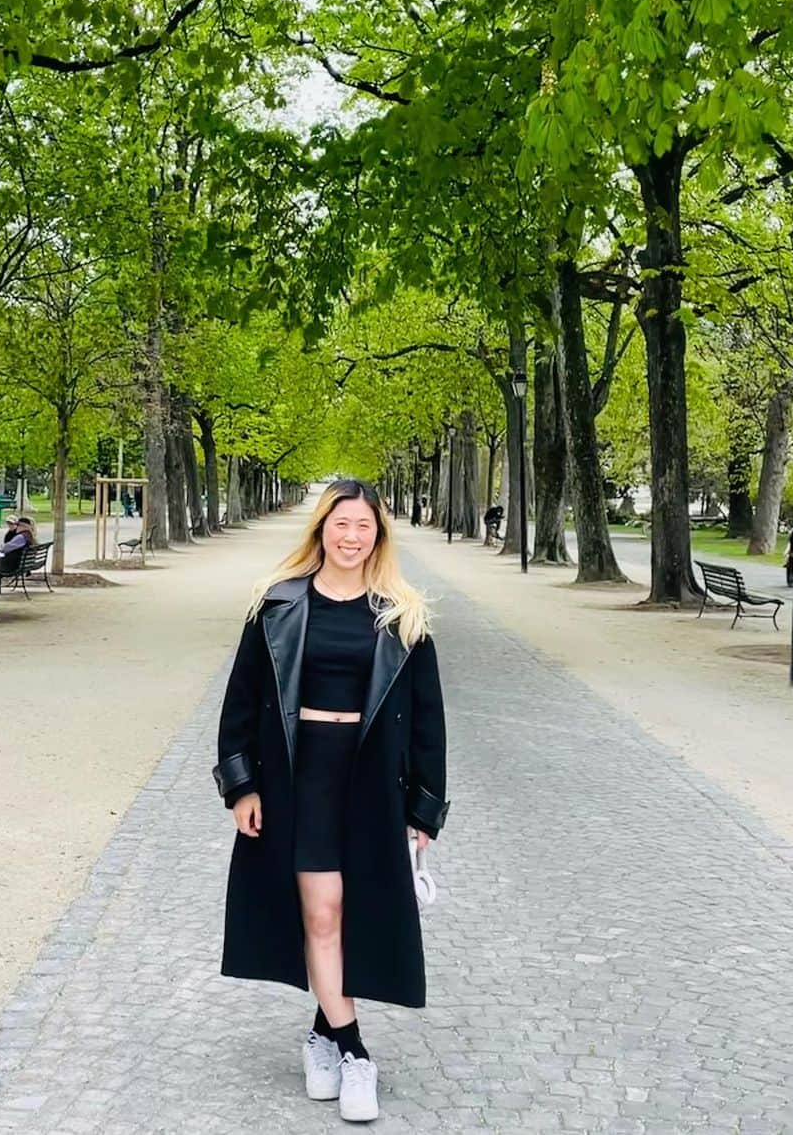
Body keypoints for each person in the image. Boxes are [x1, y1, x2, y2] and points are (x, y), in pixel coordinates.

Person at [214, 479, 449, 1123]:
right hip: (300, 775)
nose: (352, 536)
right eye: (342, 524)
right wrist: (241, 784)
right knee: (323, 912)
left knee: (357, 913)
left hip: (373, 779)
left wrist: (425, 808)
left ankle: (322, 1031)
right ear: (321, 529)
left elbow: (429, 719)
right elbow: (241, 700)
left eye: (365, 527)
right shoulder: (277, 604)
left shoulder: (402, 614)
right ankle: (353, 1051)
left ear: (379, 535)